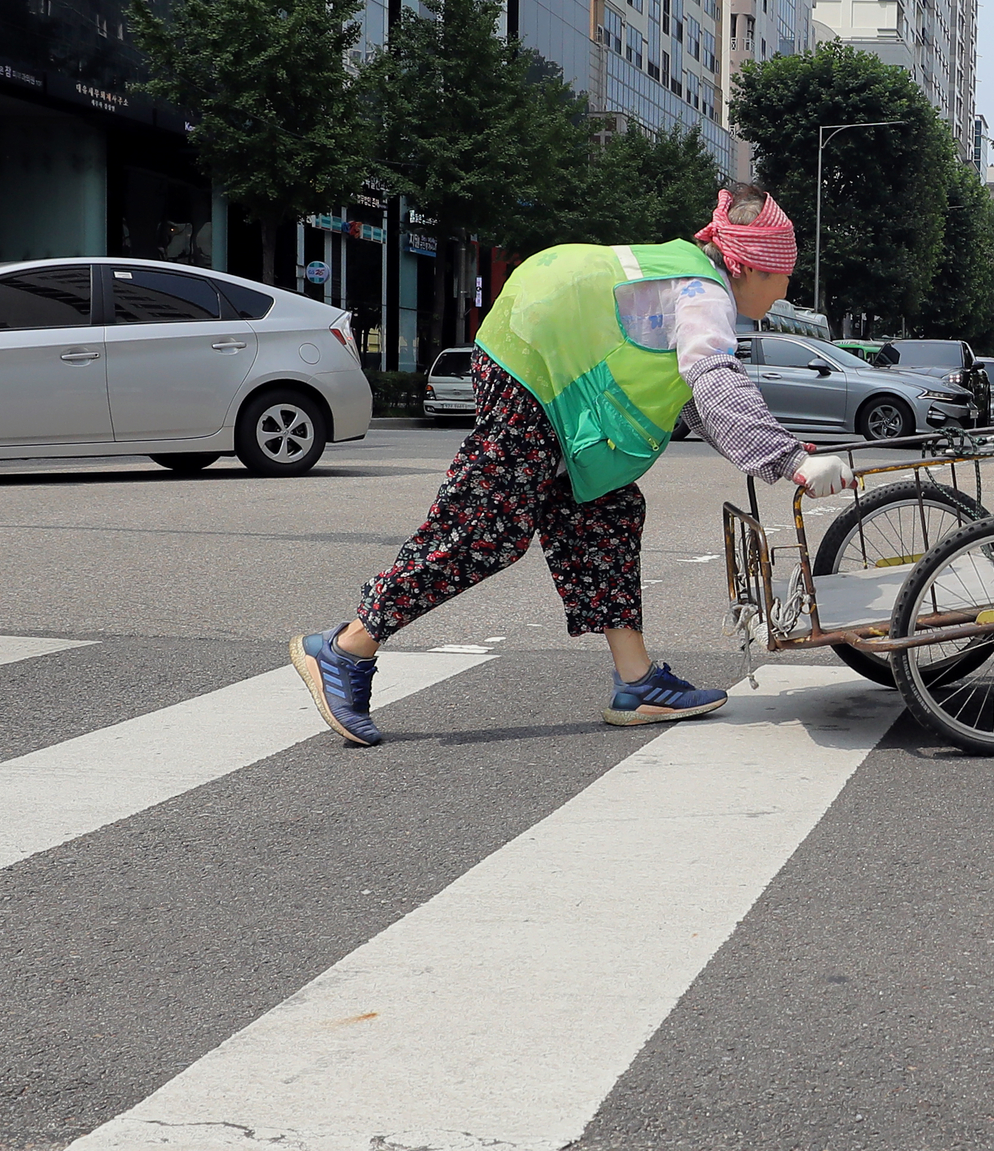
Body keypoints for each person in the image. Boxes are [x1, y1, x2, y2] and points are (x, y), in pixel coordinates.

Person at [289, 184, 854, 746]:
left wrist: (783, 451)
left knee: (606, 515)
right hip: (535, 368)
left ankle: (637, 682)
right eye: (784, 276)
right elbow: (713, 379)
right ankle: (346, 646)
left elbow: (695, 402)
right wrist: (790, 460)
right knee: (484, 528)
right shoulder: (705, 293)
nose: (785, 291)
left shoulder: (687, 271)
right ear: (750, 267)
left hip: (545, 368)